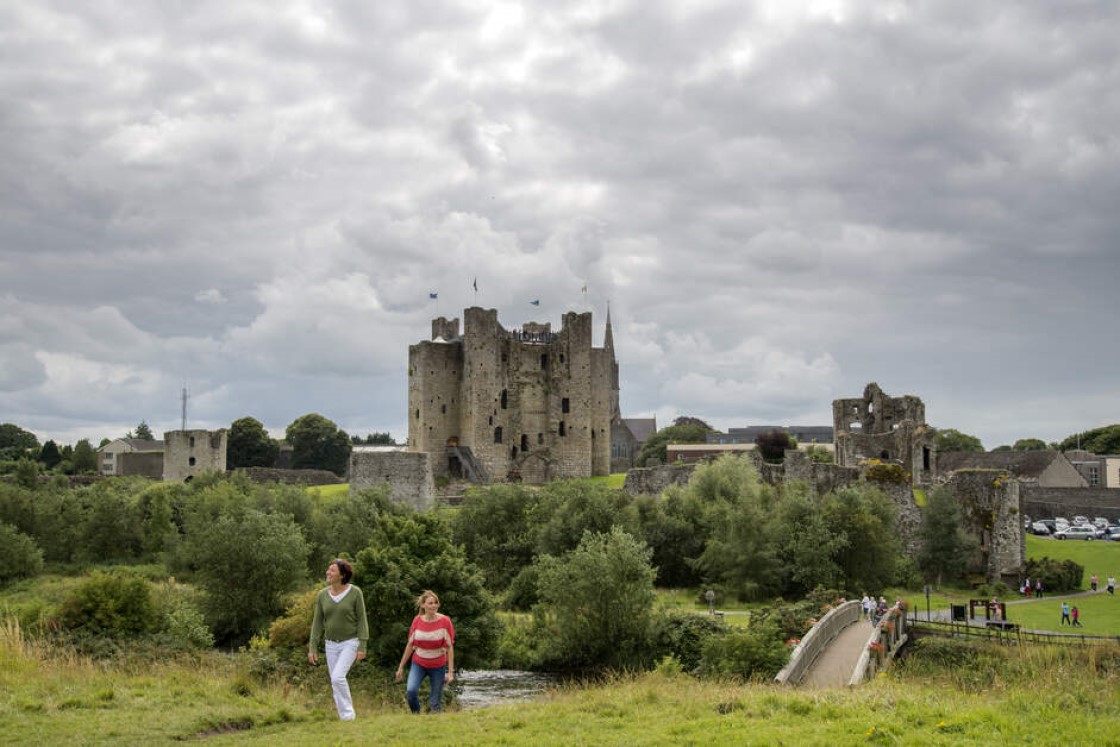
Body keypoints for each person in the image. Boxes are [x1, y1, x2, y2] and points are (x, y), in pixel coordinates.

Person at [308, 558, 370, 721]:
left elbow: (362, 619)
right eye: (328, 570)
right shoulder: (322, 595)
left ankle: (349, 715)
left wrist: (362, 644)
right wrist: (312, 647)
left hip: (350, 642)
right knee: (335, 681)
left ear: (342, 575)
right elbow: (317, 623)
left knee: (337, 677)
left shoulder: (355, 592)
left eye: (332, 570)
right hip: (330, 644)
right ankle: (344, 717)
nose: (328, 573)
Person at [396, 590, 455, 714]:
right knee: (411, 691)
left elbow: (449, 648)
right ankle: (416, 715)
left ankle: (434, 727)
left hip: (438, 665)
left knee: (435, 703)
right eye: (430, 603)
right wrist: (400, 667)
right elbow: (410, 645)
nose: (434, 605)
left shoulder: (445, 621)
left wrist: (450, 673)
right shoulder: (417, 620)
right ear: (423, 605)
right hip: (419, 663)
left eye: (436, 603)